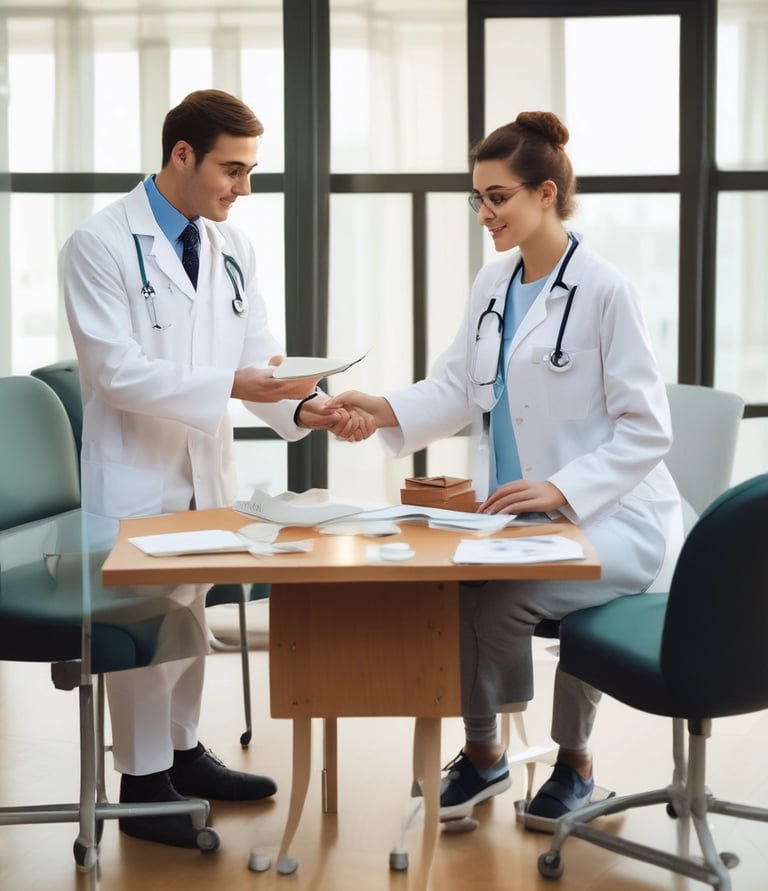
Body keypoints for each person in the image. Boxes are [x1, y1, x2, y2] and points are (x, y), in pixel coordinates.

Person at [328, 111, 683, 824]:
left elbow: (650, 428)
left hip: (615, 515)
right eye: (478, 198)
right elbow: (457, 390)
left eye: (498, 197)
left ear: (545, 193)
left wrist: (563, 487)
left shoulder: (607, 290)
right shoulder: (494, 284)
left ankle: (572, 762)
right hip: (521, 514)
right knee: (465, 582)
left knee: (510, 591)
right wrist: (383, 406)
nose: (484, 213)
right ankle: (486, 757)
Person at [59, 89, 354, 848]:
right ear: (181, 155)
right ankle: (143, 780)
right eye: (233, 169)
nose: (244, 188)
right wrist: (232, 384)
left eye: (250, 170)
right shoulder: (97, 244)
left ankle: (184, 754)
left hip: (202, 467)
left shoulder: (234, 248)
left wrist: (304, 406)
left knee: (190, 609)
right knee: (144, 614)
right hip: (134, 471)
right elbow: (116, 370)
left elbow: (260, 361)